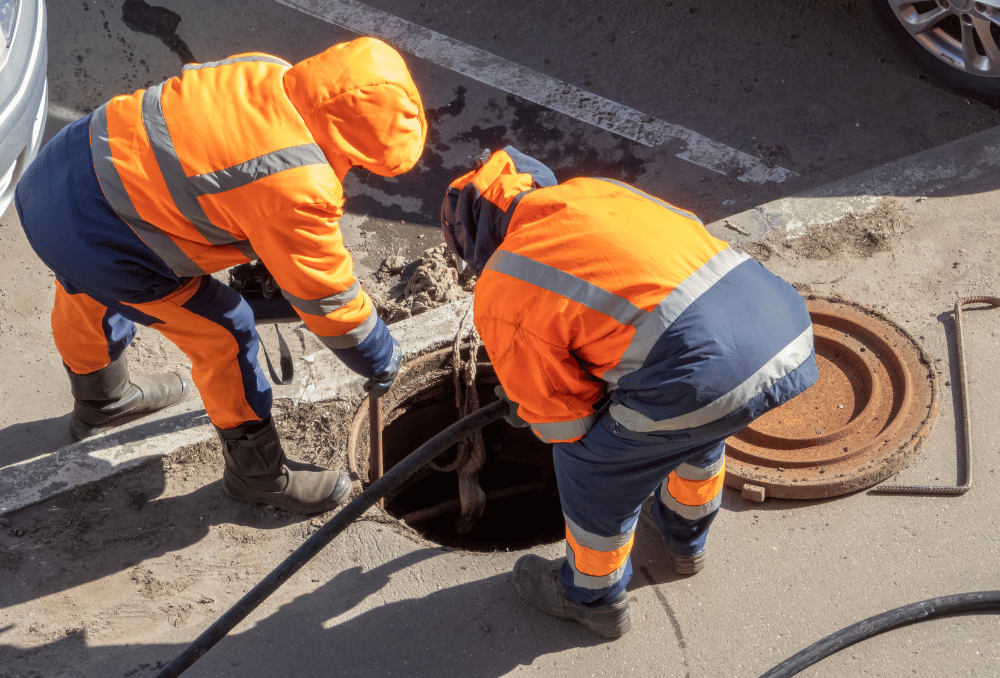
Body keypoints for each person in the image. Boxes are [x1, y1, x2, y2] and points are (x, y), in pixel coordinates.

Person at [15, 37, 427, 515]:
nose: (354, 171)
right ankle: (258, 475)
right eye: (359, 161)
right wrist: (378, 354)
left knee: (83, 285)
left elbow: (212, 166)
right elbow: (330, 300)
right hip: (103, 238)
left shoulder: (265, 69)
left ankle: (102, 400)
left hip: (62, 173)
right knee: (225, 331)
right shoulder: (300, 187)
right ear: (350, 143)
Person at [439, 147, 818, 638]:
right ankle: (684, 543)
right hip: (784, 332)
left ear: (471, 239)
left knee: (590, 466)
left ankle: (591, 598)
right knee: (694, 430)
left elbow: (567, 422)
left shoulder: (505, 280)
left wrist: (529, 403)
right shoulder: (597, 193)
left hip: (702, 373)